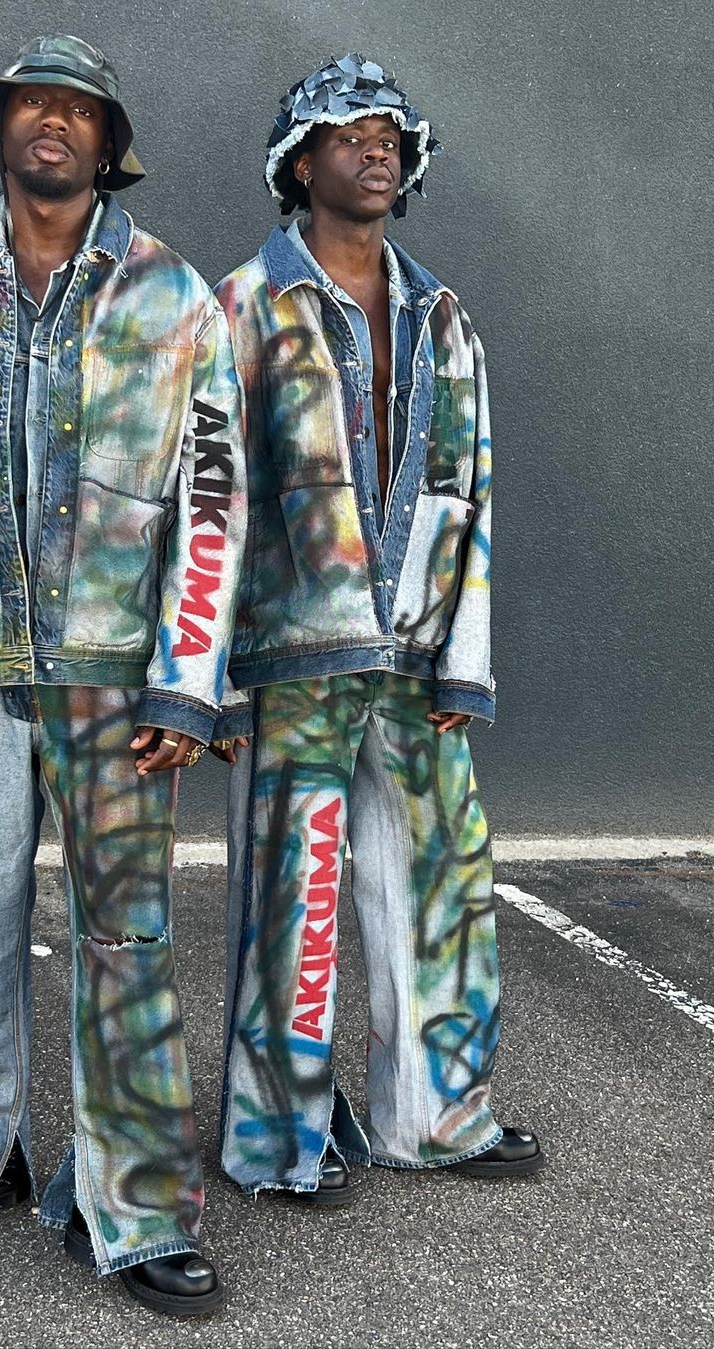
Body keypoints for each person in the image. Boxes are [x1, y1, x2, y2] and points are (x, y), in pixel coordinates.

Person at [0, 34, 243, 1316]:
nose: (52, 122)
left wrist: (188, 678)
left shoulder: (174, 296)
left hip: (118, 683)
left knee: (127, 939)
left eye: (78, 108)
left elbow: (214, 499)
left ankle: (139, 1205)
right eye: (32, 105)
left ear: (107, 143)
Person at [212, 53, 544, 1204]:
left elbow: (474, 492)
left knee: (445, 882)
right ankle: (278, 1140)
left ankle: (434, 1117)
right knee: (291, 903)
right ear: (298, 164)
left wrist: (466, 660)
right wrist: (206, 678)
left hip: (416, 653)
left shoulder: (445, 319)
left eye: (391, 137)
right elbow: (206, 503)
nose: (376, 150)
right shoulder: (243, 308)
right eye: (350, 134)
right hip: (292, 662)